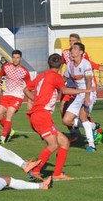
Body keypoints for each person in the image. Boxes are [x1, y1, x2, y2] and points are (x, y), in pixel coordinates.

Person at [24, 53, 94, 181]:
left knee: (64, 142)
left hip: (38, 114)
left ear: (48, 64)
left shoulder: (41, 76)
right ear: (61, 65)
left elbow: (26, 90)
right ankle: (35, 170)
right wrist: (84, 91)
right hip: (42, 115)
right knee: (53, 144)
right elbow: (65, 90)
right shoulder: (56, 77)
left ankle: (57, 174)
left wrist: (36, 99)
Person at [60, 33, 103, 144]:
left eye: (75, 46)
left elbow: (89, 79)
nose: (72, 47)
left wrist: (87, 96)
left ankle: (91, 144)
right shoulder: (69, 65)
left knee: (83, 116)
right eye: (70, 42)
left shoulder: (86, 63)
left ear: (81, 52)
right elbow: (62, 80)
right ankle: (94, 126)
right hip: (77, 92)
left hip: (88, 92)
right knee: (66, 120)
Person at [0, 50, 31, 143]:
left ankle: (3, 138)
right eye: (14, 57)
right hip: (6, 94)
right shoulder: (6, 67)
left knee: (9, 114)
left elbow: (29, 86)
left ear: (21, 59)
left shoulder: (24, 71)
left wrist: (30, 100)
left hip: (18, 96)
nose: (15, 60)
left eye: (17, 58)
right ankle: (9, 131)